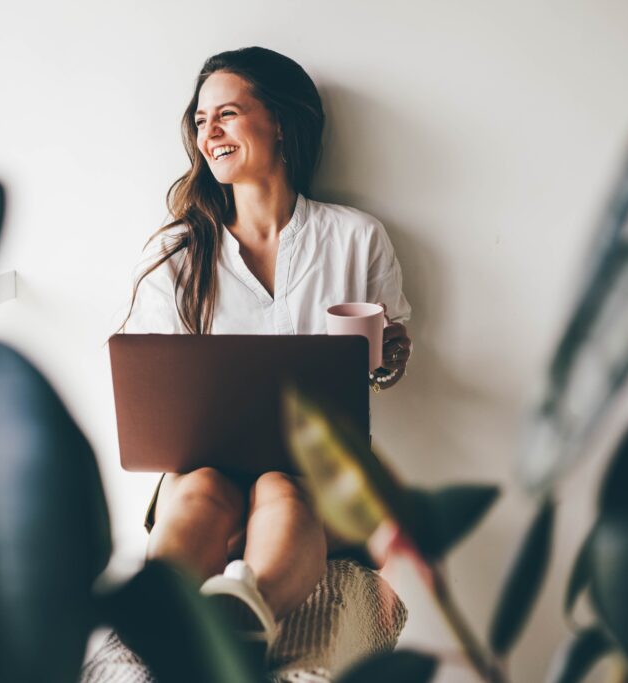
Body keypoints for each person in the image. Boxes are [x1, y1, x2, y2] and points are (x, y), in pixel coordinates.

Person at [120, 47, 412, 643]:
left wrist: (387, 363)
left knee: (284, 488)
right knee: (201, 487)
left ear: (279, 123)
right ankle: (158, 621)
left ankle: (249, 615)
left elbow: (382, 368)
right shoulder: (176, 252)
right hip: (203, 470)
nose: (211, 133)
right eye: (201, 121)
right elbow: (149, 383)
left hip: (317, 470)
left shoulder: (356, 238)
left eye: (227, 113)